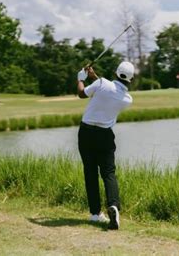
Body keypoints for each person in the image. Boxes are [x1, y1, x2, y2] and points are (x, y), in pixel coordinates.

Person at [76, 61, 134, 230]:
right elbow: (107, 87)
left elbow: (81, 93)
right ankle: (114, 206)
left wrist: (81, 78)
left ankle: (95, 214)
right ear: (131, 79)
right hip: (105, 136)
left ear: (116, 72)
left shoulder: (101, 84)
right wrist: (93, 76)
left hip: (86, 133)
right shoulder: (127, 99)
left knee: (90, 171)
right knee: (108, 172)